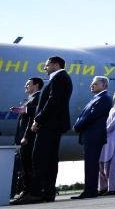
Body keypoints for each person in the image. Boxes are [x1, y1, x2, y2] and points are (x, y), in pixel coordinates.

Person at [11, 56, 73, 205]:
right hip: (53, 124)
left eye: (46, 65)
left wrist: (38, 119)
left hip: (50, 125)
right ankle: (48, 192)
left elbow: (53, 101)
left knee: (39, 158)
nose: (44, 68)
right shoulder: (60, 78)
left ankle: (36, 193)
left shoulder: (59, 78)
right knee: (50, 159)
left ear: (55, 64)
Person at [9, 78, 43, 200]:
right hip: (23, 136)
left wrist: (26, 136)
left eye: (28, 84)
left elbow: (32, 119)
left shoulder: (38, 97)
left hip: (28, 138)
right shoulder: (30, 98)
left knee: (28, 166)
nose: (25, 86)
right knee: (24, 166)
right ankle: (26, 190)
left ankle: (29, 191)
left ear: (36, 85)